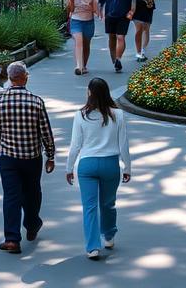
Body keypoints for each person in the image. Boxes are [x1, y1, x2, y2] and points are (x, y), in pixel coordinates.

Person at [0, 61, 56, 254]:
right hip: (32, 156)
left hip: (8, 157)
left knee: (11, 196)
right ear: (25, 76)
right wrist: (50, 156)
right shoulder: (36, 101)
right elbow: (45, 131)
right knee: (33, 192)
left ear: (10, 79)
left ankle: (12, 238)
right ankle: (32, 223)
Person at [66, 78, 131, 260]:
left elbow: (75, 145)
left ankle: (92, 247)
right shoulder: (117, 114)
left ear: (89, 93)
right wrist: (127, 167)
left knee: (90, 207)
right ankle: (109, 235)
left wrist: (69, 167)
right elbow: (123, 143)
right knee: (108, 203)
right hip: (110, 164)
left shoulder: (80, 115)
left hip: (87, 165)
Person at [97, 0, 136, 73]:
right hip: (110, 16)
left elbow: (133, 0)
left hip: (123, 16)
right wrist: (100, 12)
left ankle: (118, 59)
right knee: (112, 37)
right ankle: (114, 59)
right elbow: (101, 1)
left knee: (120, 37)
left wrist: (131, 12)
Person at [67, 0, 99, 76]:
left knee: (86, 44)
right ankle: (78, 66)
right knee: (79, 41)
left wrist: (89, 6)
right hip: (76, 20)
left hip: (88, 21)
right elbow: (71, 9)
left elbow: (95, 10)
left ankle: (84, 66)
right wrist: (71, 5)